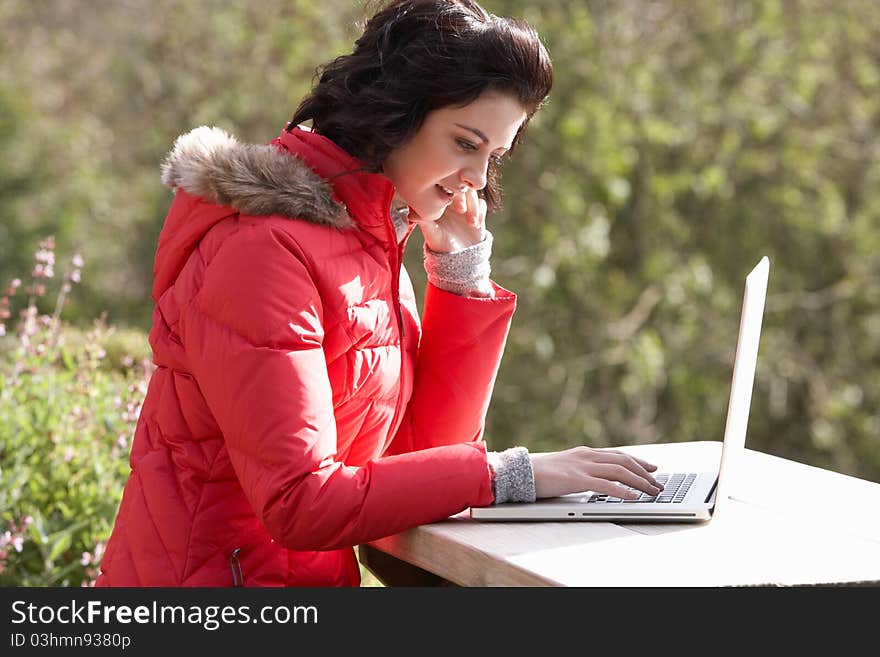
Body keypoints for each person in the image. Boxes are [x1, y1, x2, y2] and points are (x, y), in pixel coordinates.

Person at [96, 0, 663, 588]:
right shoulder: (263, 251)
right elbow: (301, 500)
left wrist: (460, 279)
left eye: (493, 156)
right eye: (465, 143)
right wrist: (513, 474)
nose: (476, 179)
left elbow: (410, 462)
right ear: (397, 112)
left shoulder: (367, 243)